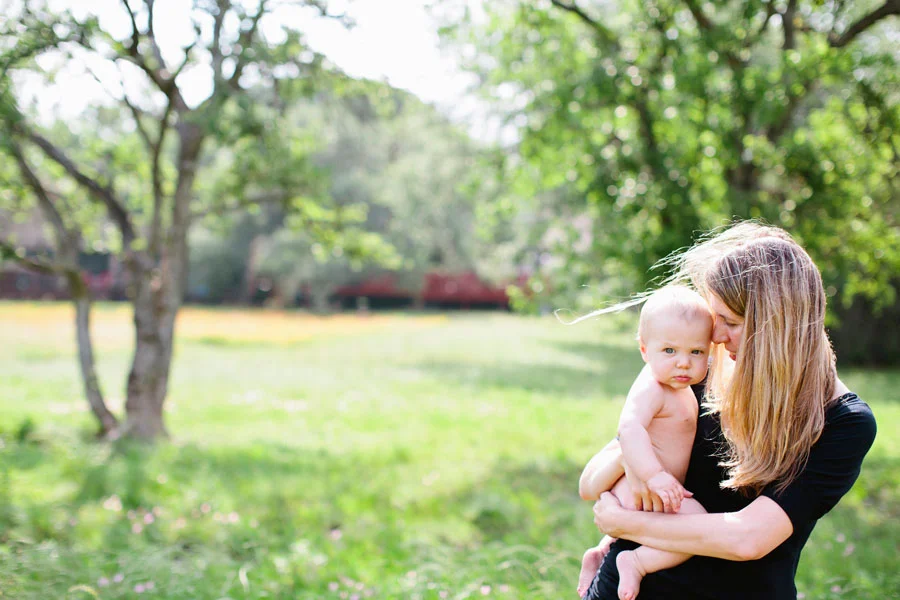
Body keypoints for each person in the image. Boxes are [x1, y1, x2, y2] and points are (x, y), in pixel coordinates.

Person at [580, 222, 877, 600]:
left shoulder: (843, 422)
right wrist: (618, 528)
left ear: (777, 328)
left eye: (732, 323)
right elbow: (594, 481)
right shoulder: (696, 370)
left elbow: (747, 538)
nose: (716, 336)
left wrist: (627, 522)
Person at [575, 286, 713, 600]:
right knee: (698, 526)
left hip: (649, 488)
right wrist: (653, 475)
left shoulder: (679, 388)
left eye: (696, 352)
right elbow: (630, 426)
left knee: (676, 529)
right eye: (669, 351)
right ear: (644, 350)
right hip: (642, 486)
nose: (683, 363)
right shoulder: (651, 386)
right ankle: (635, 562)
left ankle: (599, 554)